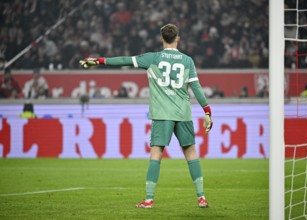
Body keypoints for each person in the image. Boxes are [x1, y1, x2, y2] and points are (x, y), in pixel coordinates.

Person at [80, 24, 213, 208]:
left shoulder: (152, 58)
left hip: (162, 114)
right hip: (183, 113)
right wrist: (207, 110)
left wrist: (99, 61)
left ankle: (149, 200)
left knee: (156, 153)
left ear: (161, 38)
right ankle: (201, 198)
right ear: (178, 38)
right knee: (190, 152)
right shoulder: (187, 61)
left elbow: (124, 60)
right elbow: (196, 87)